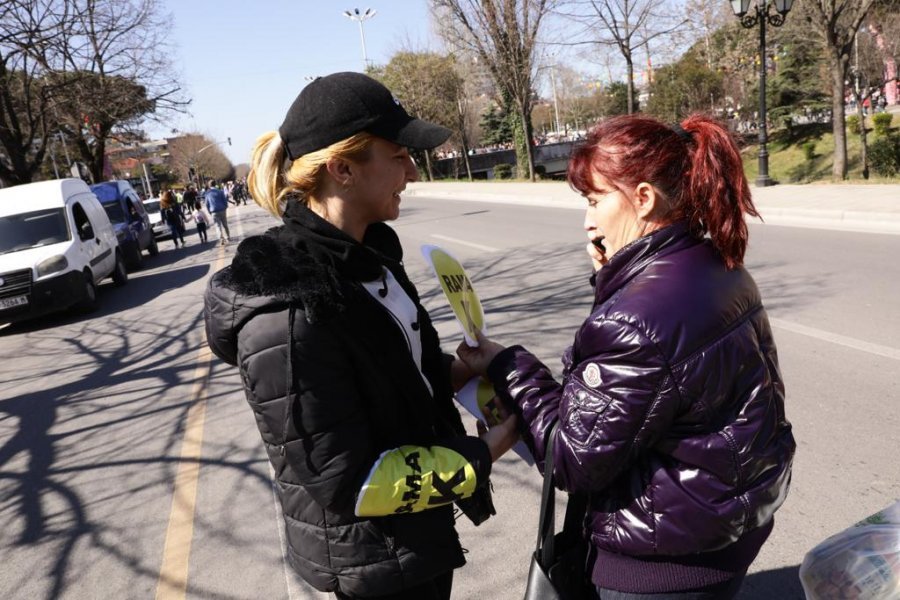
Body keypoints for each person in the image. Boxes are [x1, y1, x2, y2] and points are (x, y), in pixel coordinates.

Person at [203, 72, 518, 600]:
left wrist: (460, 368)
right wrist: (488, 450)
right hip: (374, 566)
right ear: (342, 169)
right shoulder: (289, 310)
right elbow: (347, 481)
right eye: (398, 155)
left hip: (417, 541)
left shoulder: (370, 261)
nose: (413, 171)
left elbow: (391, 379)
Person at [456, 114, 796, 600]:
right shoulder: (715, 263)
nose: (588, 219)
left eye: (595, 200)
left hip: (662, 558)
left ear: (643, 197)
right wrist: (612, 283)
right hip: (727, 524)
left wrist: (508, 365)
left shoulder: (636, 315)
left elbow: (573, 459)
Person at [204, 179, 231, 245]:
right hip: (222, 209)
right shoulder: (220, 191)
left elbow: (207, 204)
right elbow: (224, 200)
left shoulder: (207, 193)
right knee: (225, 224)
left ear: (209, 185)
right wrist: (225, 207)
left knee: (217, 226)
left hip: (214, 211)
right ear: (215, 184)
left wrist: (209, 211)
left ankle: (221, 239)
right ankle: (228, 237)